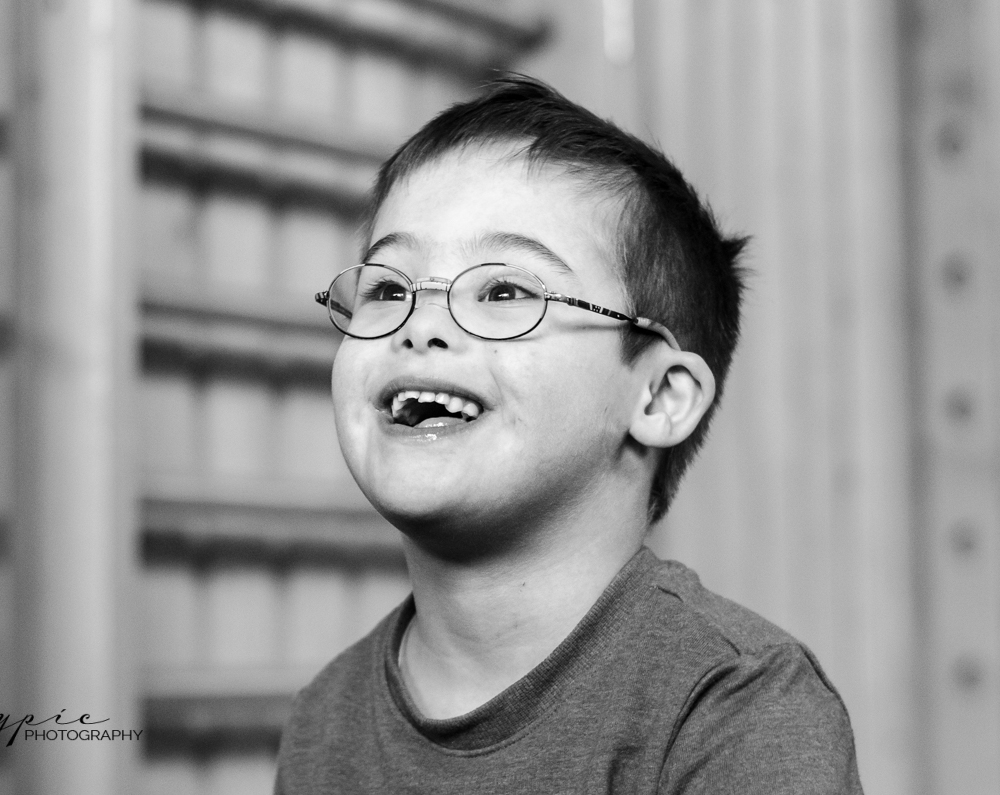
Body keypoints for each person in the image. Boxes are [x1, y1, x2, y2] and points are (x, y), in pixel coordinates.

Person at [276, 75, 862, 794]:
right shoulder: (324, 719)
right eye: (389, 289)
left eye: (505, 291)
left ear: (660, 396)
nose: (421, 326)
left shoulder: (739, 707)